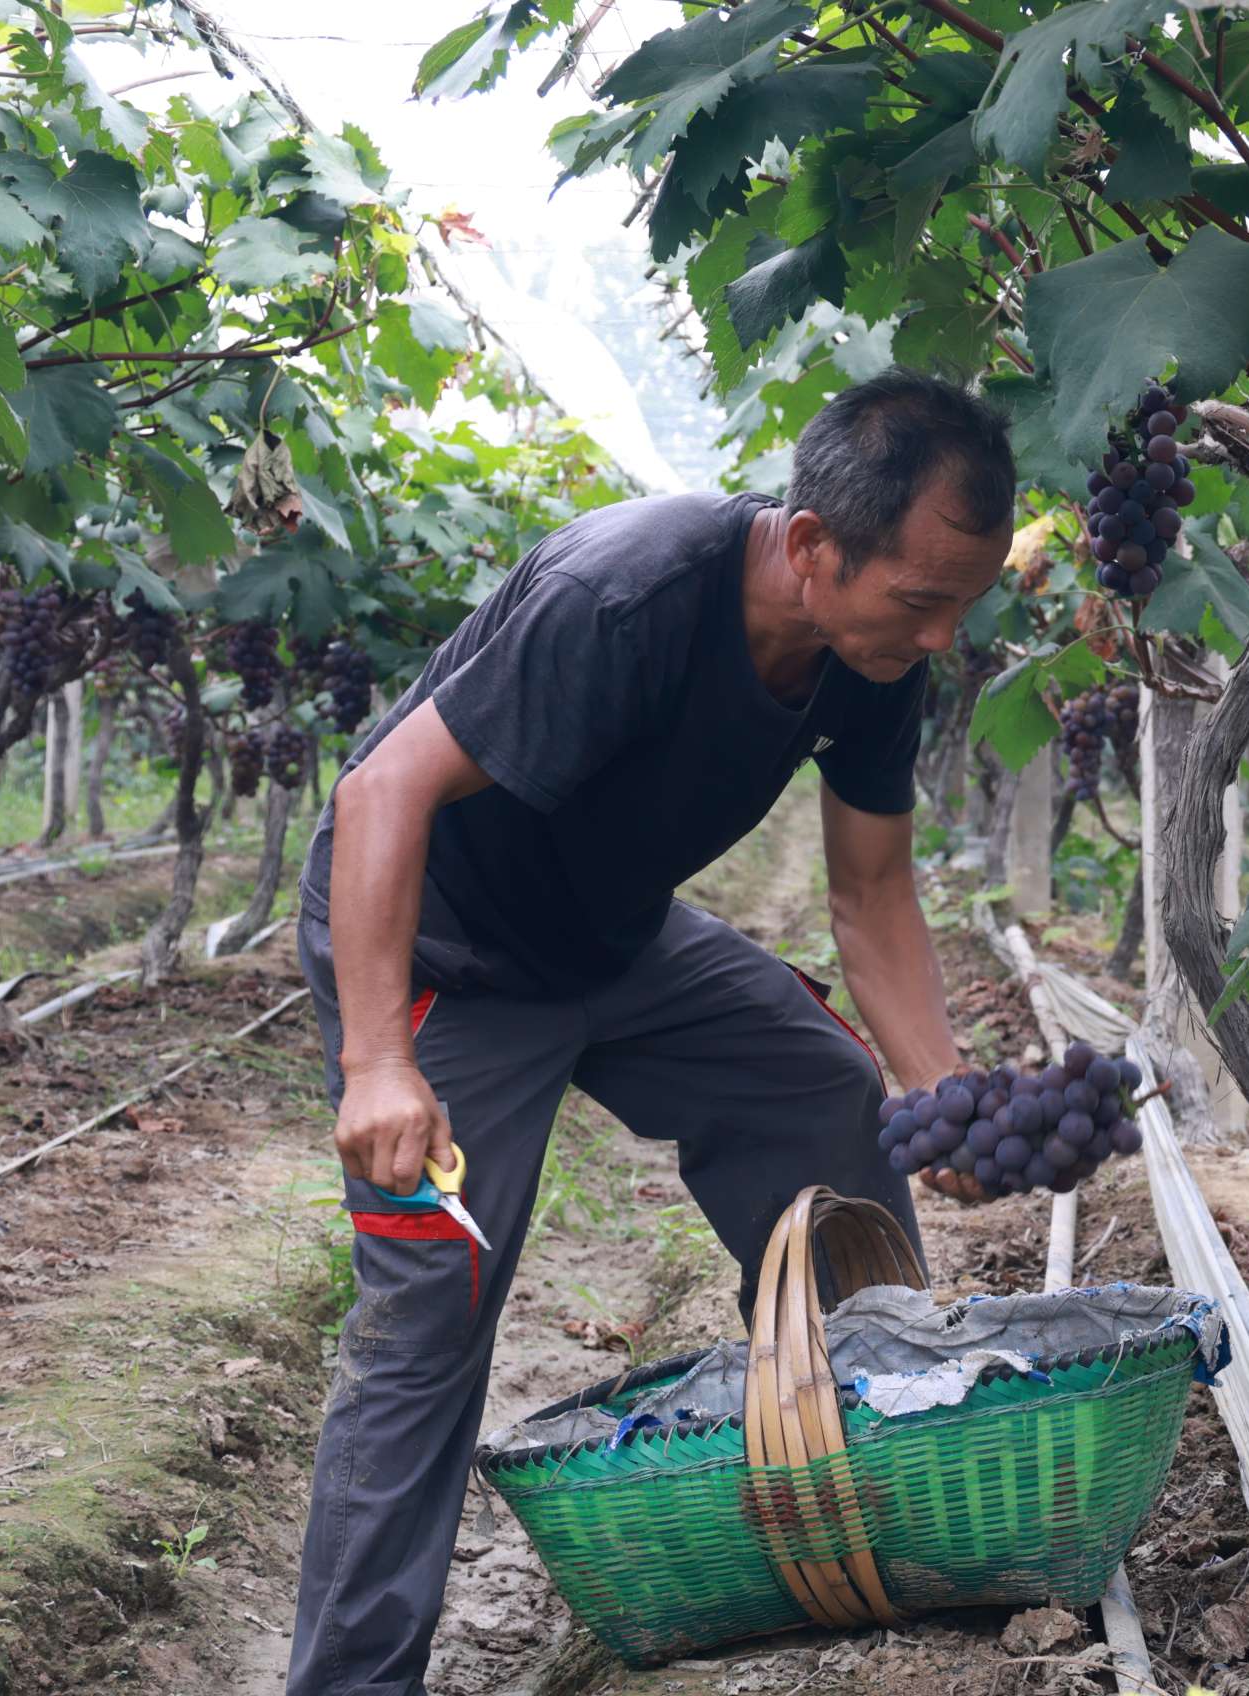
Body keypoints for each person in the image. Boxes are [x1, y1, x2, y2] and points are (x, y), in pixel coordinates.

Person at [281, 368, 1017, 1696]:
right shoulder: (621, 594)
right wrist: (379, 1060)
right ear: (811, 546)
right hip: (445, 952)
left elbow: (871, 891)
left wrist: (937, 1086)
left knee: (826, 1099)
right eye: (921, 602)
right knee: (430, 1319)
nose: (942, 637)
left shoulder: (877, 647)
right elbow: (382, 788)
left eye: (962, 605)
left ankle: (859, 1487)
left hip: (611, 936)